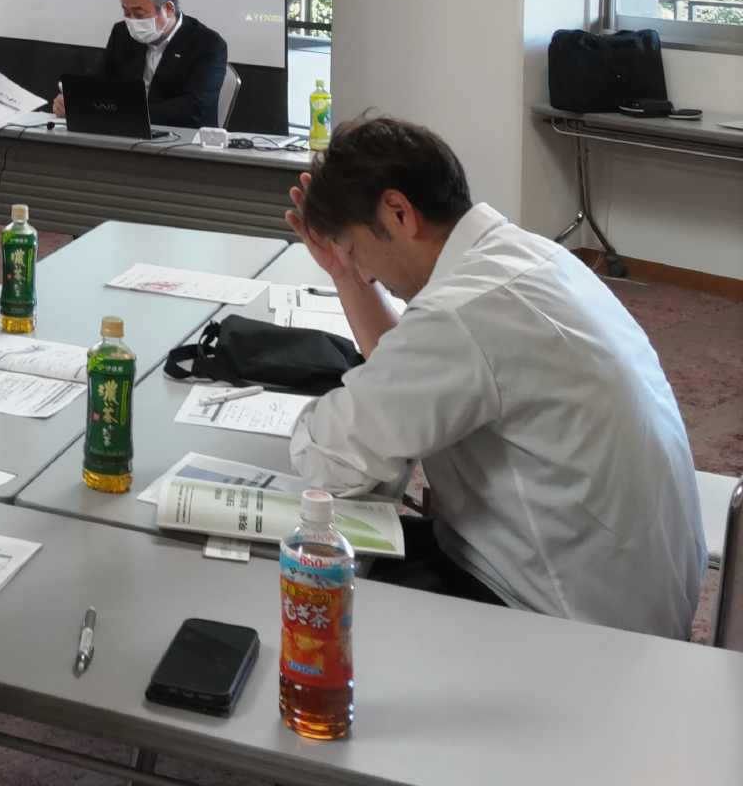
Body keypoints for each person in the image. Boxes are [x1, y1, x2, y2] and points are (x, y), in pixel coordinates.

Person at [284, 115, 706, 639]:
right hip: (628, 591)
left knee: (306, 586)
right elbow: (407, 370)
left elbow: (331, 463)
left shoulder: (464, 313)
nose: (365, 272)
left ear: (398, 212)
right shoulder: (526, 257)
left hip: (569, 624)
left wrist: (308, 426)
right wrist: (346, 274)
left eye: (354, 250)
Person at [52, 0, 228, 128]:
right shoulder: (122, 34)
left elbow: (194, 106)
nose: (132, 21)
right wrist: (74, 100)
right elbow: (96, 81)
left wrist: (130, 114)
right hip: (125, 131)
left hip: (183, 137)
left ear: (168, 9)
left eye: (139, 13)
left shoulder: (208, 44)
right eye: (126, 12)